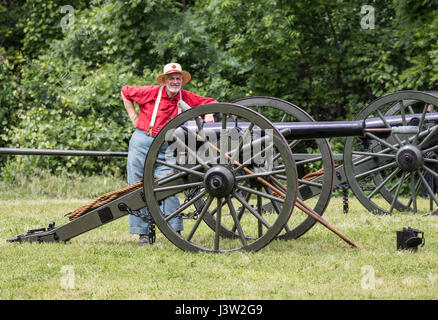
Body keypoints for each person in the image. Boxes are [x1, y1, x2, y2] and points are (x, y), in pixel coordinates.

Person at [121, 62, 217, 243]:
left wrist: (209, 113)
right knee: (137, 184)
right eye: (171, 78)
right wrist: (134, 117)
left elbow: (211, 103)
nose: (175, 81)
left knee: (170, 184)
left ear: (182, 81)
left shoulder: (186, 97)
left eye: (178, 78)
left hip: (169, 145)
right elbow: (125, 91)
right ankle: (143, 232)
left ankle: (174, 231)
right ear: (164, 80)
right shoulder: (150, 92)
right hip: (143, 140)